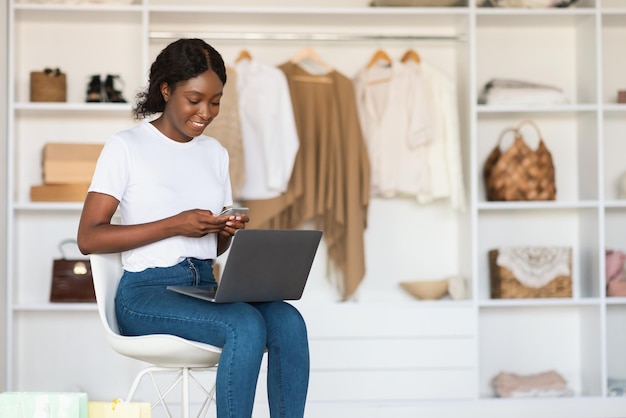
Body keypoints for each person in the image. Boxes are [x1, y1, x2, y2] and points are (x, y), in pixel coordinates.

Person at [77, 38, 310, 418]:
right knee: (245, 324)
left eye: (215, 101)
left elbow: (211, 249)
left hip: (204, 285)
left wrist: (223, 232)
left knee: (288, 321)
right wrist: (175, 225)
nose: (206, 112)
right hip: (145, 295)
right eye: (194, 99)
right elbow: (89, 237)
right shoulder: (126, 147)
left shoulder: (214, 154)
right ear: (166, 90)